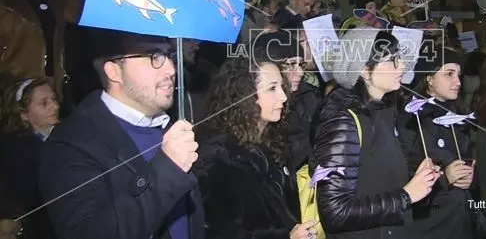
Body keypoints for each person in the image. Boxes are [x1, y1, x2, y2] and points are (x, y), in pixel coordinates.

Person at [39, 31, 204, 239]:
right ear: (114, 72)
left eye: (169, 55)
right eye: (154, 57)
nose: (171, 69)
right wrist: (169, 168)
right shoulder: (70, 145)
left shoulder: (169, 127)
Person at [311, 28, 441, 238]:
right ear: (364, 69)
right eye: (392, 59)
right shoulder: (342, 121)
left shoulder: (385, 110)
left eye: (400, 57)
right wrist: (406, 195)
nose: (402, 65)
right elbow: (335, 212)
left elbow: (378, 180)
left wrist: (417, 179)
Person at [194, 57, 316, 238]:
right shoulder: (218, 156)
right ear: (245, 95)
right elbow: (219, 232)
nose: (283, 96)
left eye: (282, 87)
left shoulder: (273, 141)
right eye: (272, 88)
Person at [397, 48, 475, 239]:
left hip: (460, 220)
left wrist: (469, 176)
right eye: (449, 74)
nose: (457, 82)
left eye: (459, 75)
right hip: (429, 225)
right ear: (429, 78)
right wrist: (444, 178)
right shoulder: (411, 119)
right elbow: (400, 174)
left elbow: (466, 159)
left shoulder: (459, 115)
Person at [0, 78, 59, 238]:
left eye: (54, 99)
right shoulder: (15, 150)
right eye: (44, 103)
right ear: (23, 114)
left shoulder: (69, 135)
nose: (55, 106)